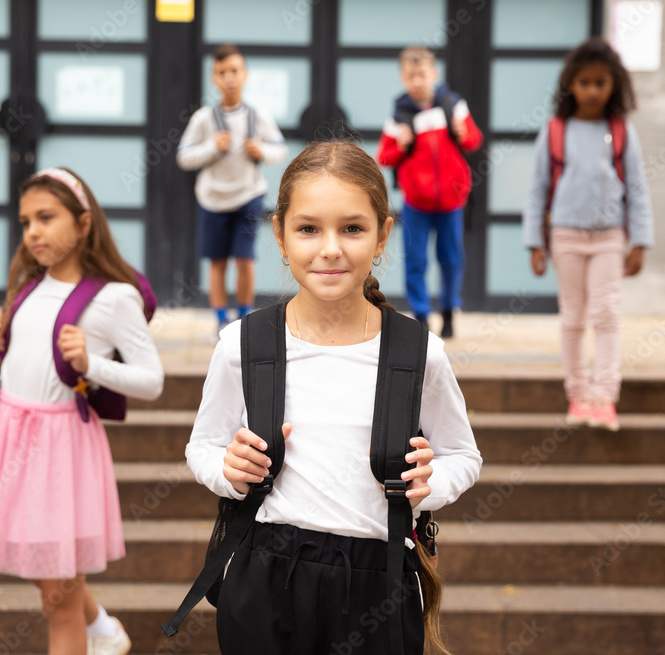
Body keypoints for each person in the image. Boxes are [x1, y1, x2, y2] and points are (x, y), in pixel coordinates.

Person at [186, 141, 482, 654]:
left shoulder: (417, 352)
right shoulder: (243, 343)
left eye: (352, 228)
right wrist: (227, 470)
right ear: (278, 234)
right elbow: (203, 447)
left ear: (383, 234)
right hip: (263, 574)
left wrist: (428, 487)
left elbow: (463, 456)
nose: (329, 248)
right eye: (308, 229)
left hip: (379, 580)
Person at [0, 167, 164, 655]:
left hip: (58, 452)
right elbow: (28, 364)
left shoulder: (113, 299)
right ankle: (104, 631)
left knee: (58, 600)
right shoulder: (31, 284)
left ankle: (93, 631)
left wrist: (91, 364)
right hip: (8, 437)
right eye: (26, 221)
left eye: (46, 217)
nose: (33, 231)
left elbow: (152, 381)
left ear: (84, 222)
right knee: (39, 568)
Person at [522, 37, 653, 431]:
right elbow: (537, 189)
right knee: (573, 318)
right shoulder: (555, 131)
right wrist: (534, 242)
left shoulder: (622, 132)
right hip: (565, 237)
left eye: (600, 82)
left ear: (614, 85)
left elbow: (638, 188)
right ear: (570, 85)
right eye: (584, 82)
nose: (592, 90)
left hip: (610, 238)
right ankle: (578, 395)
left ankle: (604, 397)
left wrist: (640, 241)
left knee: (607, 313)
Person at [177, 43, 288, 334]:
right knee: (216, 262)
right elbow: (184, 156)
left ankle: (243, 318)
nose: (229, 77)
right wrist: (212, 147)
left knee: (245, 259)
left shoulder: (257, 115)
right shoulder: (203, 118)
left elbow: (279, 148)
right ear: (213, 77)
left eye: (235, 71)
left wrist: (260, 150)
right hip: (212, 199)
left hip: (248, 196)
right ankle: (219, 321)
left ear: (245, 75)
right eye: (222, 72)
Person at [375, 46, 483, 338]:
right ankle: (421, 315)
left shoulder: (453, 105)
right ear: (403, 78)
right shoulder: (399, 115)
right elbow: (383, 157)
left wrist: (464, 133)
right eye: (411, 75)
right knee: (415, 260)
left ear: (434, 74)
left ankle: (449, 311)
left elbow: (475, 139)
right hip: (416, 203)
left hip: (451, 202)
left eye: (422, 74)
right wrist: (400, 145)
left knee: (451, 259)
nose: (417, 81)